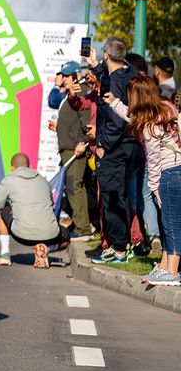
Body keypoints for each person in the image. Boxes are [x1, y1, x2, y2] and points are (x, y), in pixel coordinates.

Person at [111, 74, 181, 285]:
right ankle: (165, 267)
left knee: (171, 224)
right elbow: (133, 117)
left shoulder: (149, 125)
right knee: (169, 222)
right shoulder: (166, 108)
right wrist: (114, 103)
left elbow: (154, 160)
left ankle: (173, 272)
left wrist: (154, 188)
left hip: (169, 174)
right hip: (177, 170)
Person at [83, 38, 139, 264]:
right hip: (130, 144)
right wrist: (95, 63)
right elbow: (107, 72)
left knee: (112, 196)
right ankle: (120, 245)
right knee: (121, 195)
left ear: (106, 54)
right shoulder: (129, 73)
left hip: (114, 146)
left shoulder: (115, 82)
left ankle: (118, 249)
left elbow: (115, 122)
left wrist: (103, 146)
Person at [0, 153, 69, 268]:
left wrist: (11, 206)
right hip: (50, 234)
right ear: (29, 165)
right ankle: (46, 248)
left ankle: (5, 254)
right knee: (67, 238)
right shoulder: (43, 180)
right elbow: (51, 204)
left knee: (1, 211)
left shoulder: (9, 180)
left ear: (12, 167)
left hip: (21, 234)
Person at [54, 62, 93, 239]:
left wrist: (82, 142)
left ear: (77, 76)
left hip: (74, 148)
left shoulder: (81, 91)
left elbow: (85, 119)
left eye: (68, 76)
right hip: (68, 147)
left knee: (75, 186)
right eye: (64, 75)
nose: (64, 79)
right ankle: (80, 225)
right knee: (72, 186)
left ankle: (83, 228)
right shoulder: (70, 93)